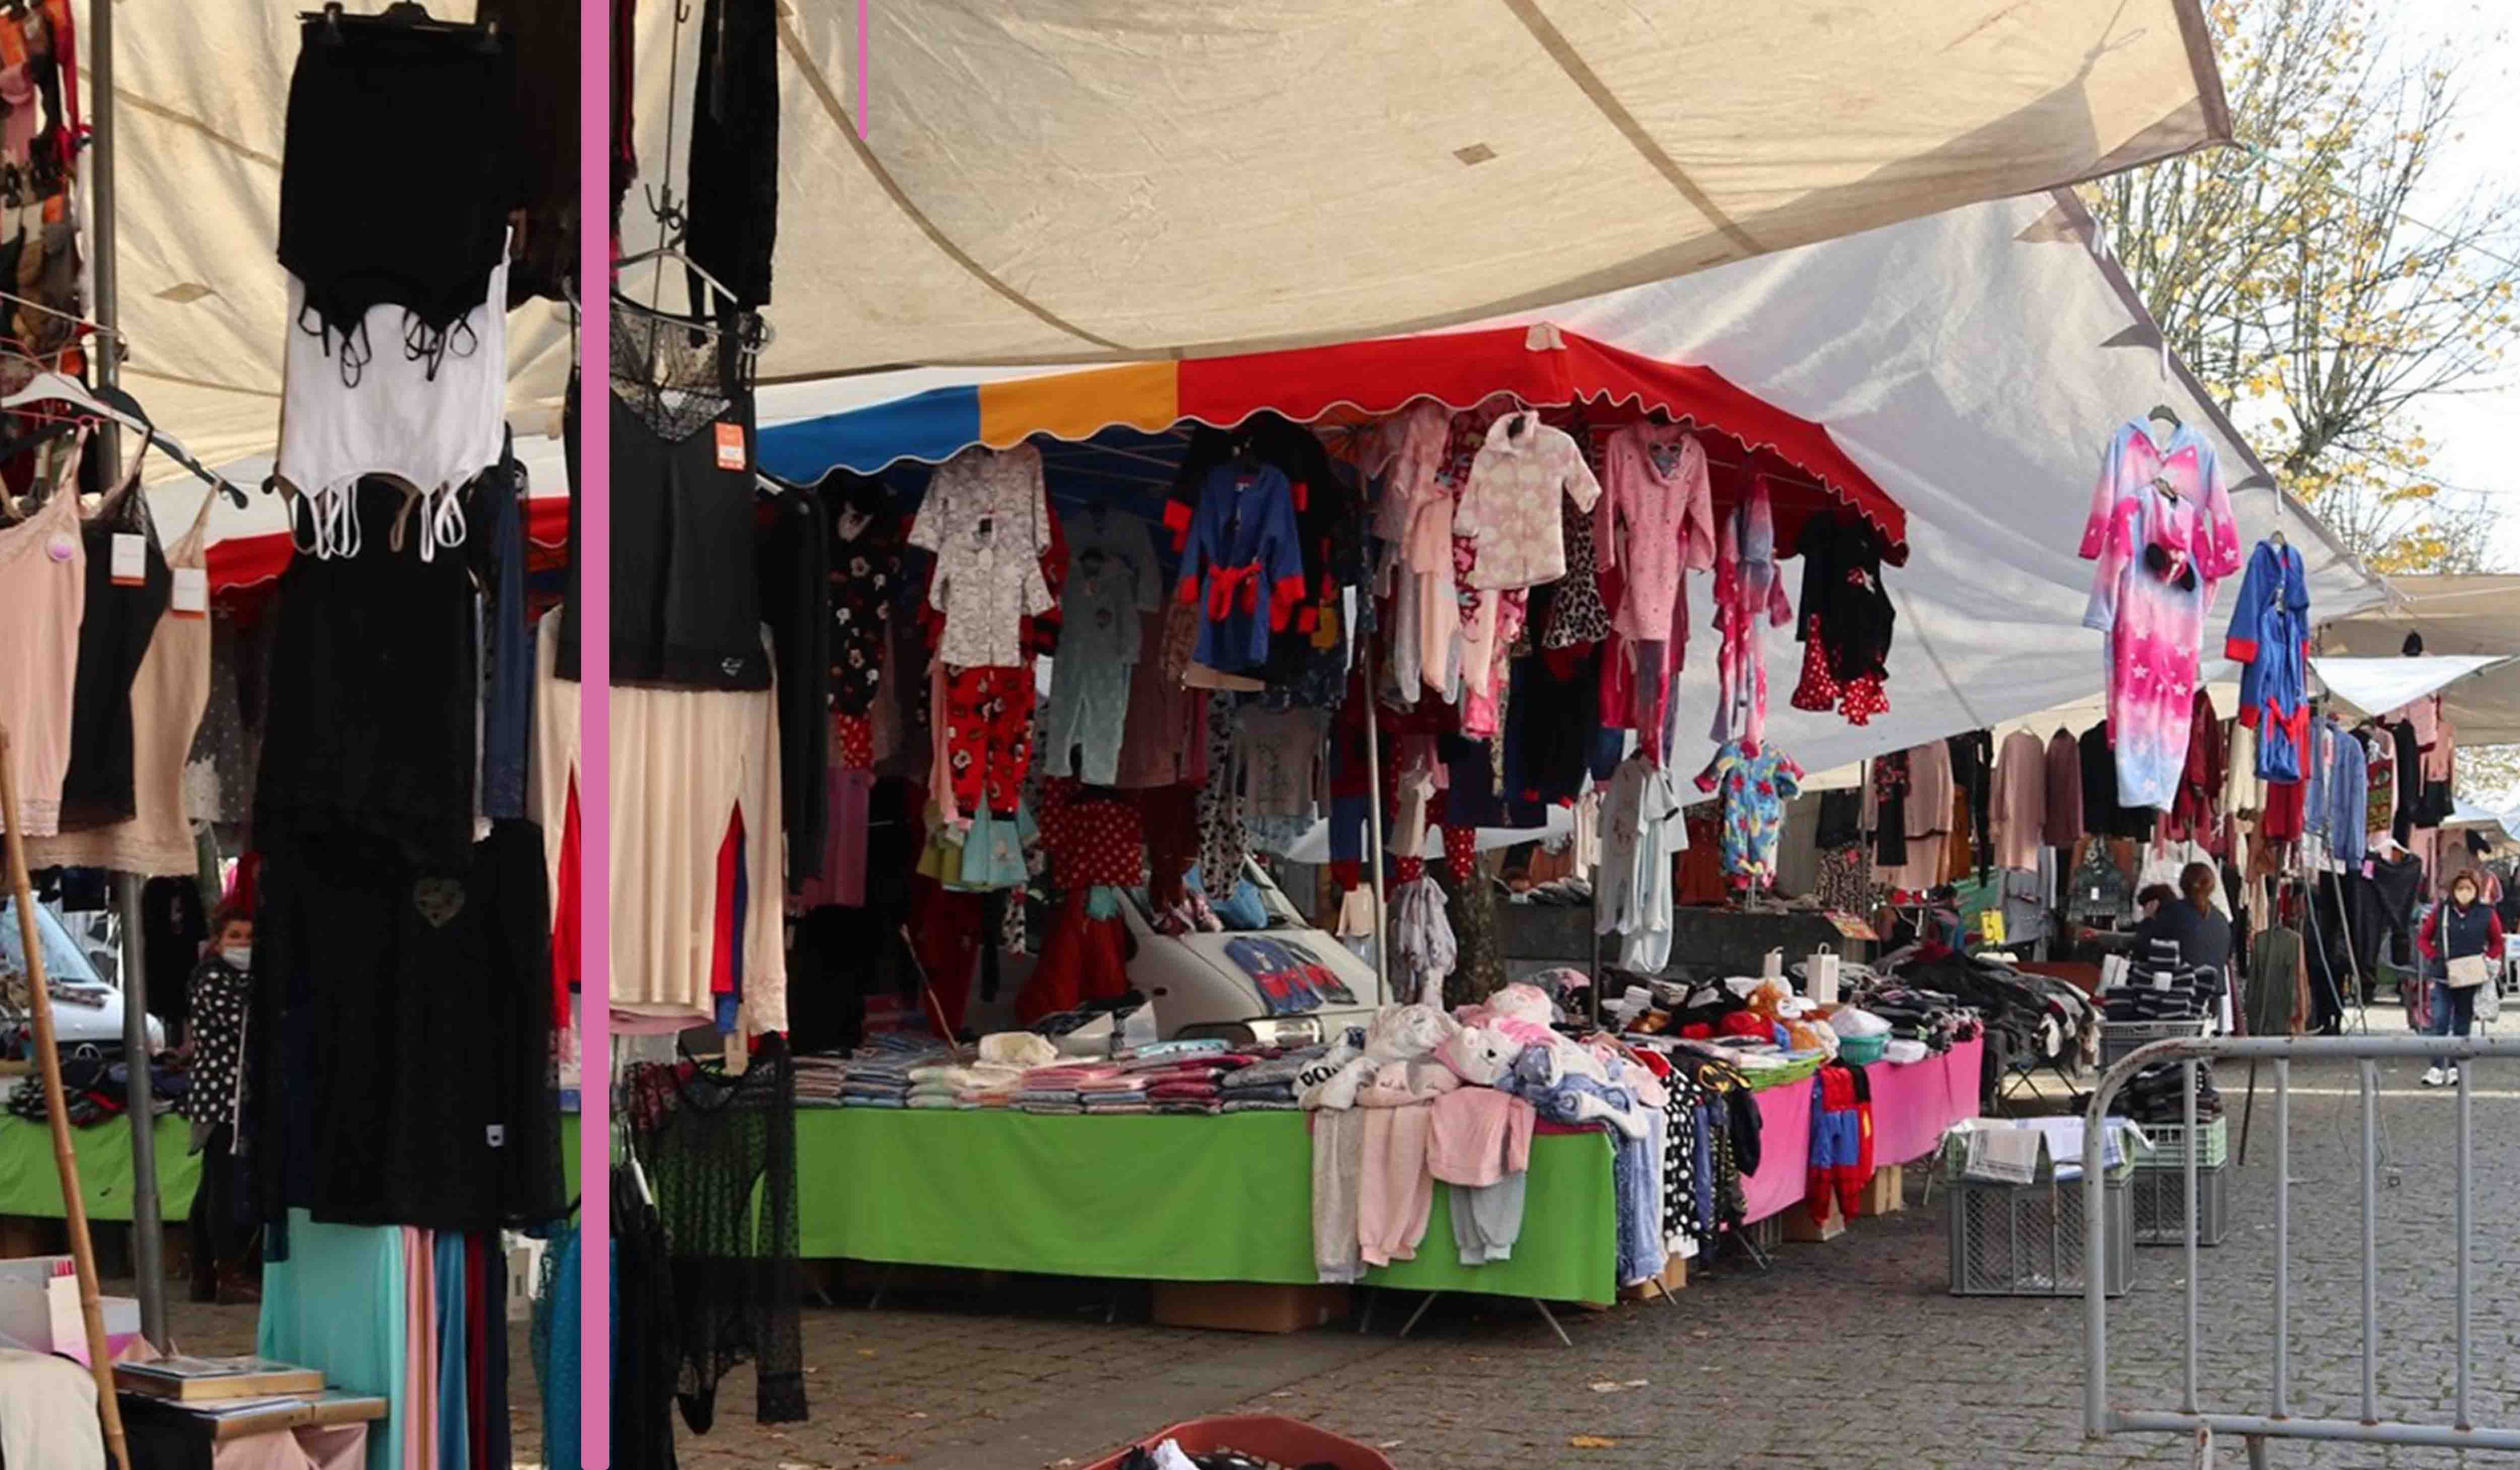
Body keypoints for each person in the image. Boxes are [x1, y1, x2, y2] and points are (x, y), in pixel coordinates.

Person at [180, 901, 258, 1304]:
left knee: (212, 1184)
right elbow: (245, 1021)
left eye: (248, 937)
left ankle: (203, 1275)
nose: (243, 944)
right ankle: (226, 1273)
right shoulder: (212, 978)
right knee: (222, 1186)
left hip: (234, 1097)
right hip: (220, 1097)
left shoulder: (244, 978)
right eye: (235, 936)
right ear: (218, 941)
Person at [2417, 868, 2506, 1088]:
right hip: (2442, 976)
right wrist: (2433, 956)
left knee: (2462, 1023)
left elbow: (2497, 942)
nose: (2464, 893)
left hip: (2470, 977)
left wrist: (2487, 960)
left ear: (2476, 890)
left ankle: (2457, 1067)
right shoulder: (2442, 911)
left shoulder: (2486, 913)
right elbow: (2424, 939)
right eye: (2460, 888)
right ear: (2453, 891)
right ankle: (2437, 1067)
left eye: (2468, 888)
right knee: (2439, 1021)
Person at [2132, 861, 2231, 974]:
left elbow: (2143, 947)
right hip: (2215, 988)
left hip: (2183, 986)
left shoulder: (2172, 912)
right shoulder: (2222, 920)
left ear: (2182, 884)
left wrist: (2148, 919)